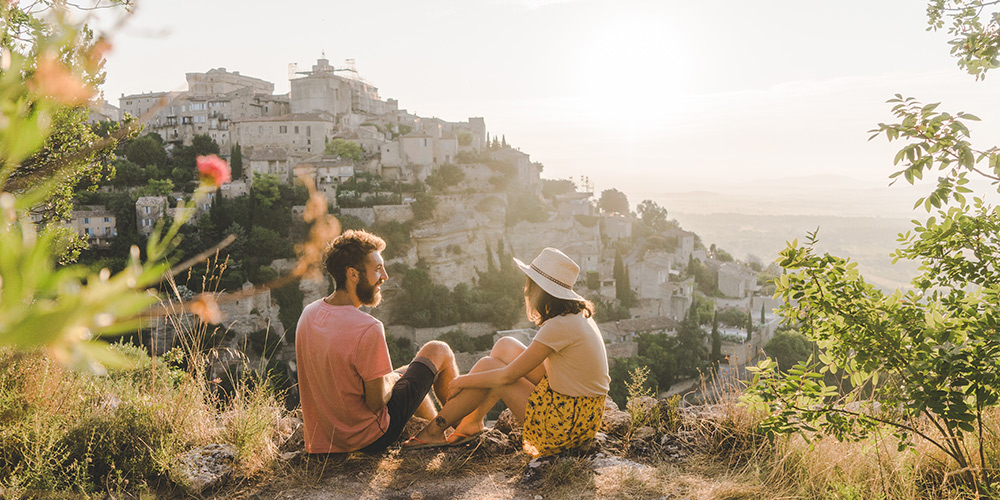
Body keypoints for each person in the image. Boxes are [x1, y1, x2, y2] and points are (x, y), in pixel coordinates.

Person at [403, 247, 610, 457]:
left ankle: (435, 430)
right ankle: (471, 423)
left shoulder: (559, 326)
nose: (525, 288)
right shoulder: (576, 317)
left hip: (565, 426)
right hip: (582, 414)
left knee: (491, 368)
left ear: (539, 289)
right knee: (505, 345)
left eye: (529, 282)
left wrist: (459, 382)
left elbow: (507, 375)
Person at [295, 229, 459, 454]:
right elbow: (377, 403)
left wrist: (392, 378)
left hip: (326, 440)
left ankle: (437, 434)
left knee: (405, 375)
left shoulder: (308, 314)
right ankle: (462, 431)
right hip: (368, 438)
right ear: (353, 274)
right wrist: (391, 379)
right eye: (378, 269)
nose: (385, 276)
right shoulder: (368, 327)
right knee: (438, 350)